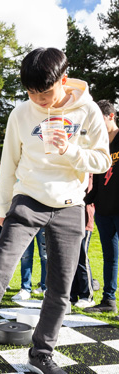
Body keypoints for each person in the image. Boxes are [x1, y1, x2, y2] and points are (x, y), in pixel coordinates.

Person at [0, 47, 111, 374]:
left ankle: (41, 353)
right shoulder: (21, 113)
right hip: (27, 199)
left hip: (70, 205)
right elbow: (8, 165)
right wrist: (3, 209)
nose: (38, 101)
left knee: (61, 288)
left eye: (44, 93)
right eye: (31, 93)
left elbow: (103, 160)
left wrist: (69, 151)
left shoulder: (87, 110)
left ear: (63, 81)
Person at [83, 100, 119, 313]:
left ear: (111, 116)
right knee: (109, 257)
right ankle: (108, 300)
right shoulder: (100, 144)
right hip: (103, 211)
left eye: (99, 119)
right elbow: (96, 178)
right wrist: (87, 200)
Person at [70, 174, 96, 308]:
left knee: (82, 258)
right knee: (71, 258)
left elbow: (88, 194)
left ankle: (87, 296)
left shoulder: (89, 174)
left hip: (84, 219)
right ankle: (72, 294)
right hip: (72, 219)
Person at [11, 229, 47, 300]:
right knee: (25, 256)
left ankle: (46, 288)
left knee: (45, 256)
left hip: (43, 222)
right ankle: (25, 289)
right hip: (26, 223)